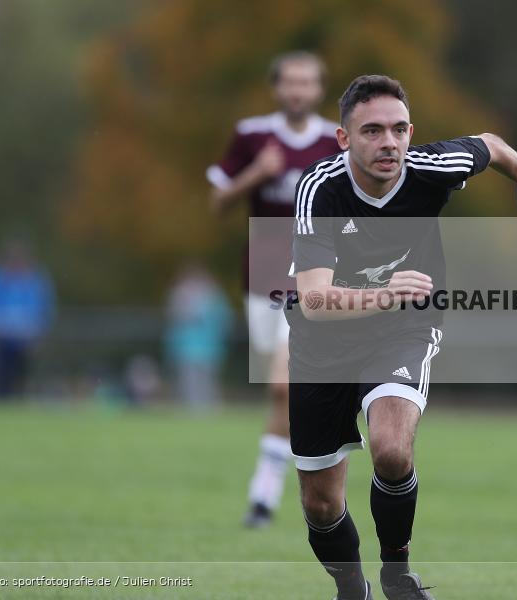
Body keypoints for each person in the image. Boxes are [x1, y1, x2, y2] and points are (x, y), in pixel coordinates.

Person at [289, 75, 517, 600]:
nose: (388, 142)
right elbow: (313, 300)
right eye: (371, 131)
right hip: (322, 344)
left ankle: (398, 576)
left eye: (398, 130)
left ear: (411, 132)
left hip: (405, 329)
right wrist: (384, 292)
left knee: (392, 450)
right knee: (321, 507)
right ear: (344, 139)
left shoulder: (430, 168)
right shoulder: (319, 189)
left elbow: (492, 146)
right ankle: (353, 588)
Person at [207, 51, 342, 527]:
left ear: (320, 89)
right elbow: (217, 202)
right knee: (282, 394)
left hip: (311, 277)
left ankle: (264, 497)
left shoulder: (336, 141)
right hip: (260, 274)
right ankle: (271, 494)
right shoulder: (251, 135)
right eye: (290, 82)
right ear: (276, 87)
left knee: (284, 387)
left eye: (307, 82)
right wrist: (256, 176)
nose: (298, 90)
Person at [0, 239, 55, 398]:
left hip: (24, 339)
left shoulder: (35, 280)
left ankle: (20, 398)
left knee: (22, 375)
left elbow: (44, 308)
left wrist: (38, 330)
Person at [165, 264, 233, 410]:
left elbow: (223, 320)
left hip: (209, 347)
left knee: (208, 379)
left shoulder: (214, 296)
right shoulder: (179, 295)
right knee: (189, 380)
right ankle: (193, 409)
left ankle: (210, 408)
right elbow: (174, 318)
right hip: (185, 348)